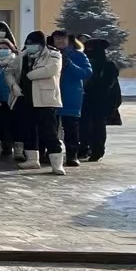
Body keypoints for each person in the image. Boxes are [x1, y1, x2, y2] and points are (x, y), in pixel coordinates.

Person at [7, 31, 66, 175]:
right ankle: (32, 160)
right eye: (28, 43)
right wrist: (13, 85)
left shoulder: (53, 54)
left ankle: (56, 163)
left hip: (45, 100)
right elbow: (8, 71)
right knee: (28, 131)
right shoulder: (22, 56)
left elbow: (51, 70)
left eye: (33, 43)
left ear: (41, 44)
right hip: (25, 99)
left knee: (49, 132)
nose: (30, 46)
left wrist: (29, 75)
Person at [52, 31, 92, 168]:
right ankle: (52, 154)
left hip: (71, 97)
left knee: (71, 128)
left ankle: (72, 155)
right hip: (51, 96)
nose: (60, 41)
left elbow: (86, 73)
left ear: (68, 40)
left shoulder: (78, 55)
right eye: (57, 39)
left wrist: (70, 65)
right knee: (51, 128)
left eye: (62, 38)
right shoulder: (49, 54)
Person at [80, 38, 121, 162]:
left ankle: (97, 150)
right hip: (86, 100)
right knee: (85, 126)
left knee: (98, 127)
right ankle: (86, 148)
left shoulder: (108, 65)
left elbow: (107, 84)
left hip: (101, 101)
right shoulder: (86, 62)